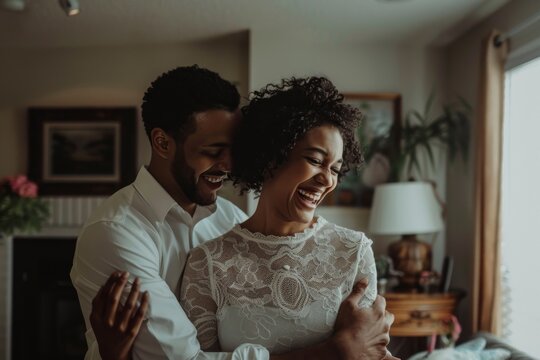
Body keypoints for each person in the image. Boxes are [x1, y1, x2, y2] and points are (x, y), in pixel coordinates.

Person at [76, 65, 396, 360]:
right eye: (213, 151)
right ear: (162, 143)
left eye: (233, 150)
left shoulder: (228, 217)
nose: (229, 165)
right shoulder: (117, 232)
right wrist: (336, 352)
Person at [179, 76, 390, 355]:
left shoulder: (353, 251)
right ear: (270, 158)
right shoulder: (208, 261)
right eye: (315, 161)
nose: (327, 180)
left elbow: (370, 354)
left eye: (335, 169)